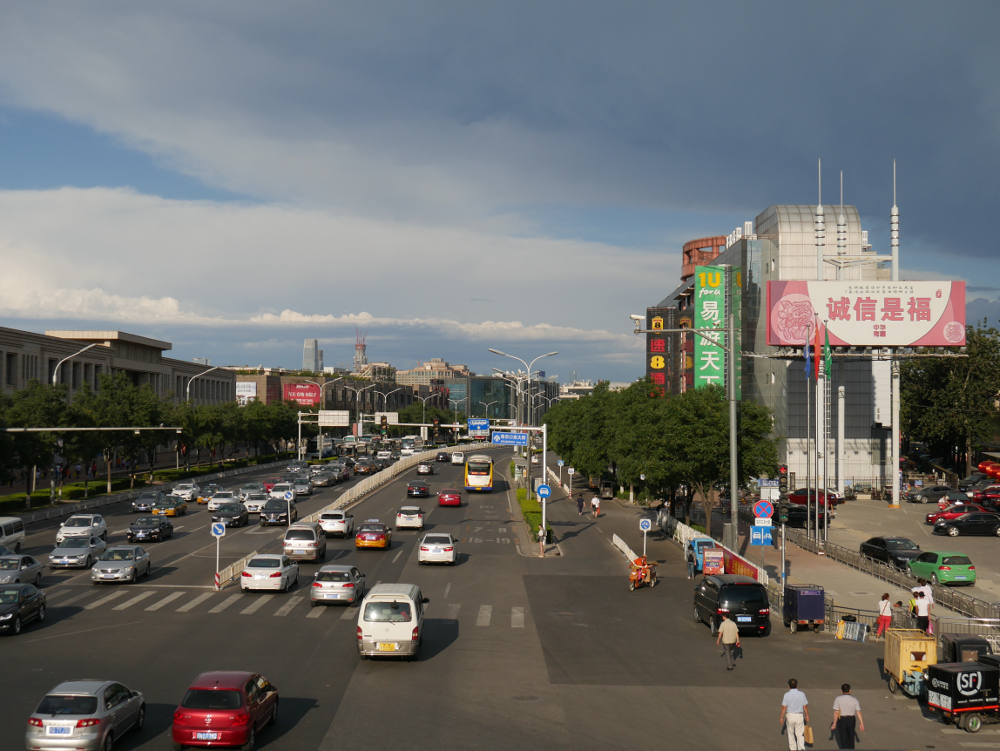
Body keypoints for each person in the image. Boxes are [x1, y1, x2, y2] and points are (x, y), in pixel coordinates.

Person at [779, 678, 810, 751]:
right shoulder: (802, 694)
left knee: (790, 733)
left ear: (789, 686)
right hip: (799, 715)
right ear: (797, 685)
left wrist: (781, 717)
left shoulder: (786, 695)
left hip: (790, 716)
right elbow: (805, 706)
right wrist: (807, 715)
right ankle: (801, 748)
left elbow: (784, 707)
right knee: (799, 734)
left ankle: (793, 749)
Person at [831, 683, 864, 749]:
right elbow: (858, 712)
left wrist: (834, 723)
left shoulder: (838, 699)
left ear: (842, 690)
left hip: (842, 720)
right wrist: (861, 723)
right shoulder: (854, 699)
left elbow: (836, 712)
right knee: (851, 737)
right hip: (851, 720)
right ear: (849, 690)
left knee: (843, 738)